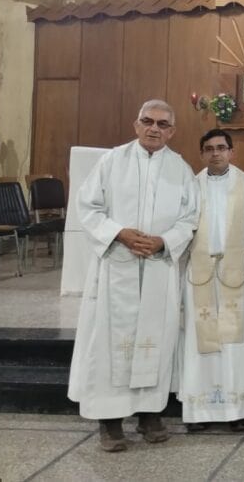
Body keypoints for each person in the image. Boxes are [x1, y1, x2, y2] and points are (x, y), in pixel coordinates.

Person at [68, 100, 199, 452]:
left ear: (172, 131)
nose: (154, 128)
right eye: (147, 121)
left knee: (155, 341)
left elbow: (190, 218)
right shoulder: (112, 161)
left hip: (158, 267)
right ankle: (109, 423)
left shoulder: (181, 169)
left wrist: (163, 241)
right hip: (117, 264)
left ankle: (149, 414)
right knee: (109, 343)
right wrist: (119, 232)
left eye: (162, 124)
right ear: (136, 123)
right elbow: (88, 206)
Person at [176, 129, 244, 433]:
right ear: (201, 153)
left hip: (237, 270)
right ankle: (199, 410)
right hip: (200, 272)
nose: (216, 153)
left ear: (232, 151)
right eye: (209, 149)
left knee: (235, 343)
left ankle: (237, 409)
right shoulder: (191, 185)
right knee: (200, 344)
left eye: (221, 148)